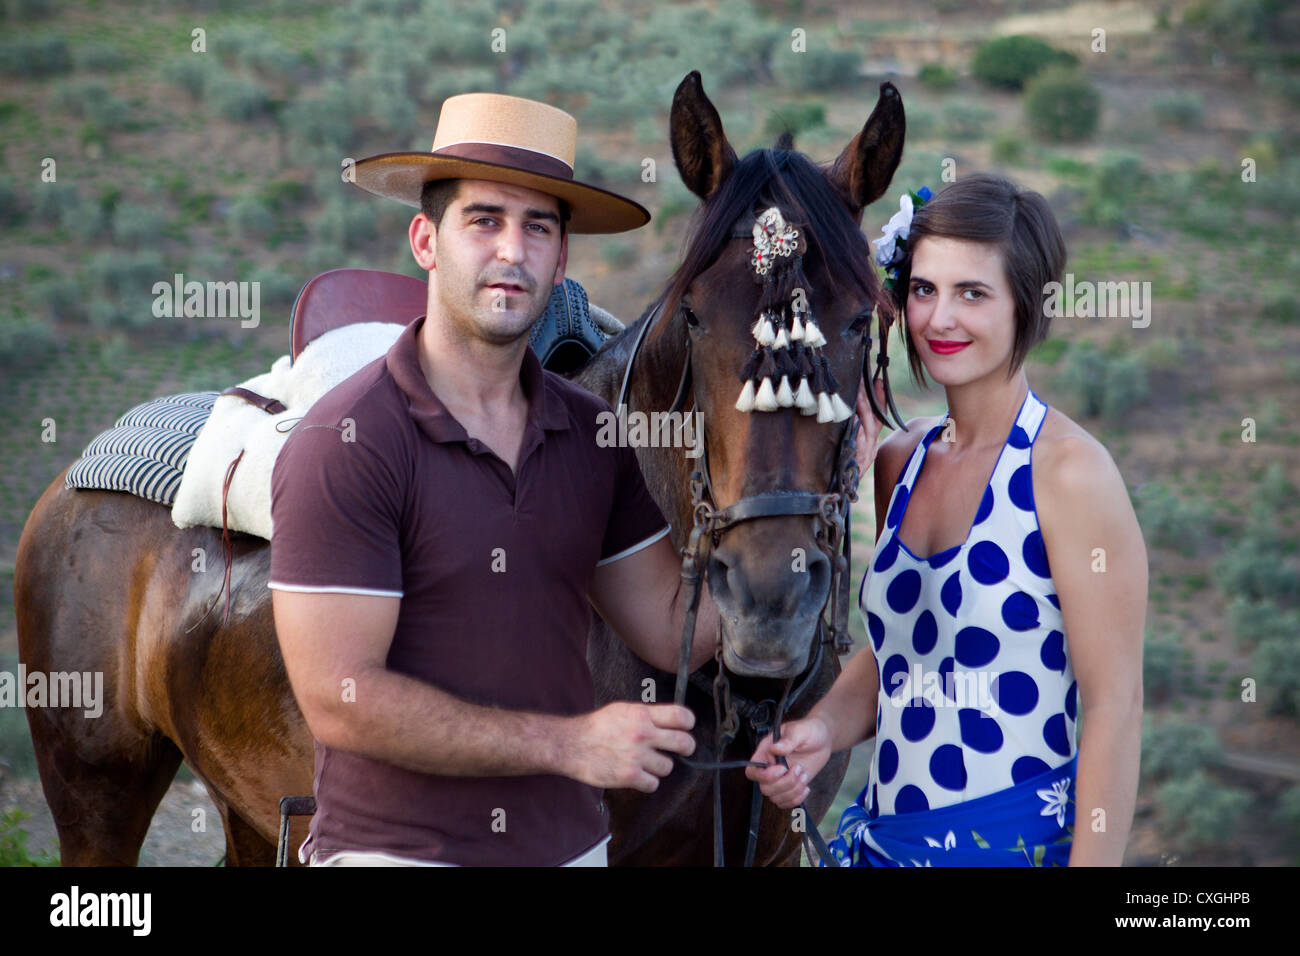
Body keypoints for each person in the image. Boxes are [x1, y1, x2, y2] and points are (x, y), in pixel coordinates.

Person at [267, 92, 723, 867]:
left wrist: (802, 490)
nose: (513, 250)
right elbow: (342, 701)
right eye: (484, 220)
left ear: (561, 258)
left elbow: (675, 627)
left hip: (573, 852)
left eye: (538, 227)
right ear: (426, 240)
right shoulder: (348, 441)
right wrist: (570, 744)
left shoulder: (592, 436)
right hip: (398, 856)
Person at [747, 173, 1146, 866]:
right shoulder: (899, 460)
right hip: (884, 845)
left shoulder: (1069, 473)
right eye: (924, 289)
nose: (939, 319)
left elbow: (1116, 707)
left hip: (1012, 848)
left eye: (973, 293)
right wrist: (823, 730)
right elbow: (903, 653)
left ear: (1026, 305)